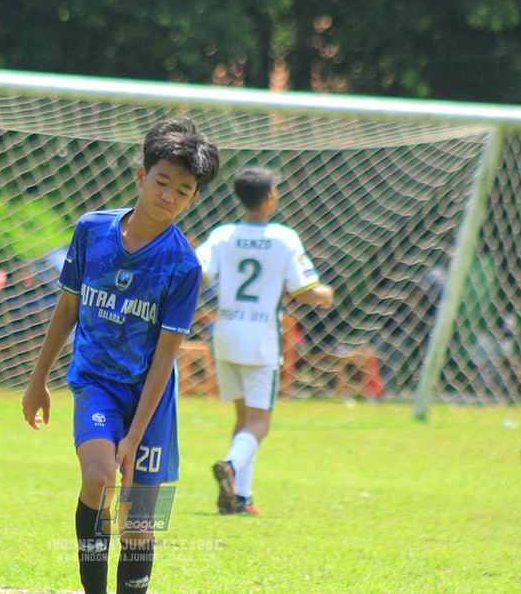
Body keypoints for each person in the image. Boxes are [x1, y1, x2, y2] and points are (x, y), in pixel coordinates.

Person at [21, 117, 220, 594]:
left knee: (138, 522)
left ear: (193, 199)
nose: (169, 196)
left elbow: (165, 358)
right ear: (140, 176)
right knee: (98, 477)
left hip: (150, 398)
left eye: (184, 190)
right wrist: (37, 380)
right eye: (162, 181)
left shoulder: (184, 265)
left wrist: (133, 436)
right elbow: (67, 306)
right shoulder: (91, 231)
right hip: (96, 384)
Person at [195, 167, 333, 515]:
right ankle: (229, 465)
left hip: (225, 334)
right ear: (270, 198)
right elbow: (302, 291)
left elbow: (199, 275)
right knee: (260, 423)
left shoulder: (223, 235)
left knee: (243, 419)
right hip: (260, 340)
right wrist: (325, 294)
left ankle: (241, 497)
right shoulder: (284, 237)